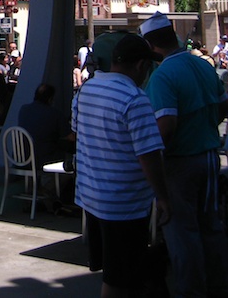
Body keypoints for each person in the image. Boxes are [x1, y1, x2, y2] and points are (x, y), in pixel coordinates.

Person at [141, 11, 228, 297]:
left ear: (151, 46)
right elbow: (224, 106)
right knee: (211, 227)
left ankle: (191, 291)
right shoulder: (203, 66)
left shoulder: (163, 76)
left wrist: (150, 156)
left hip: (180, 162)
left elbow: (166, 126)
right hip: (209, 157)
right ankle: (222, 286)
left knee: (182, 234)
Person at [73, 33, 172, 298]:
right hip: (123, 206)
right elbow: (148, 156)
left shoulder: (85, 91)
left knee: (117, 271)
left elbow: (78, 131)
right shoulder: (135, 99)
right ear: (141, 65)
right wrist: (163, 198)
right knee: (119, 281)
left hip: (92, 199)